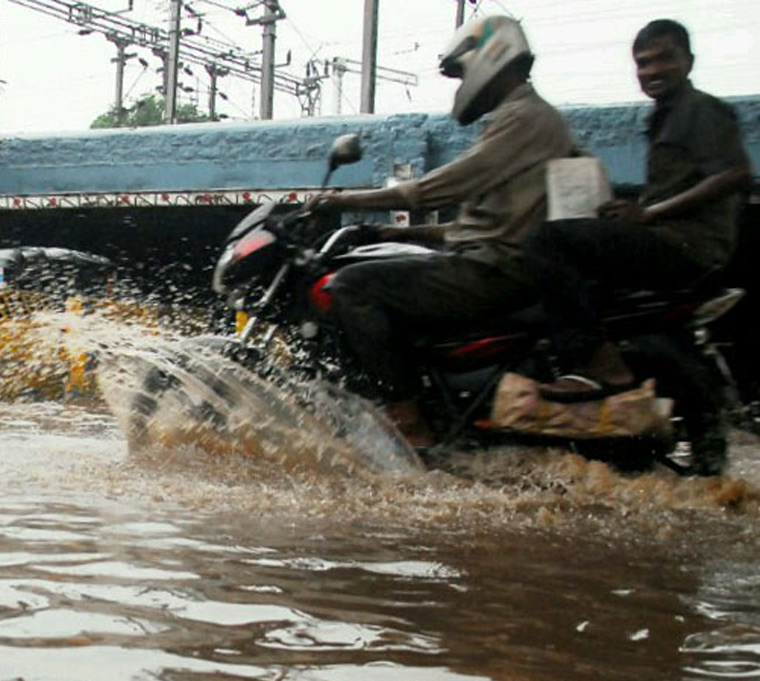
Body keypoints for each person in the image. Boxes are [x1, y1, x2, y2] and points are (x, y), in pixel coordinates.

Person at [309, 15, 577, 447]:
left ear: (493, 57)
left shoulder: (524, 117)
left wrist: (346, 200)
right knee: (385, 270)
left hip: (493, 272)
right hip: (490, 263)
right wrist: (393, 236)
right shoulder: (517, 118)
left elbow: (439, 187)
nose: (463, 83)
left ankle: (408, 419)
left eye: (464, 71)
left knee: (352, 287)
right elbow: (477, 226)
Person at [529, 19, 753, 402]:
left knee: (546, 240)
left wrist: (649, 215)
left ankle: (593, 361)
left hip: (688, 247)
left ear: (689, 61)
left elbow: (734, 173)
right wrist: (633, 209)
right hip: (671, 238)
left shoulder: (700, 109)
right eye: (643, 63)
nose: (652, 71)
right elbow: (678, 186)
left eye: (664, 59)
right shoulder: (666, 115)